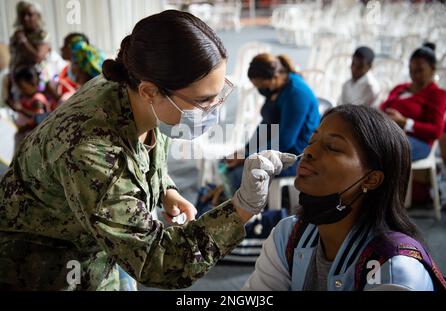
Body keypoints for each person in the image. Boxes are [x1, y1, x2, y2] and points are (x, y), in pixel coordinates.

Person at [0, 10, 297, 291]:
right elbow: (159, 262)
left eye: (218, 95)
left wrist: (166, 189)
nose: (213, 110)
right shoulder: (92, 152)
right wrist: (242, 208)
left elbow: (143, 155)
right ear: (150, 91)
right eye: (203, 101)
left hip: (99, 246)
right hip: (51, 269)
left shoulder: (133, 91)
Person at [243, 105, 446, 291]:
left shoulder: (394, 269)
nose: (308, 152)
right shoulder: (288, 234)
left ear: (371, 179)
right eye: (312, 141)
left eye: (332, 147)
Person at [226, 53, 320, 193]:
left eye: (262, 86)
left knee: (238, 175)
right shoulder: (278, 88)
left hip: (298, 156)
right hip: (280, 148)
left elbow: (285, 142)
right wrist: (246, 150)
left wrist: (249, 158)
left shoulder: (296, 94)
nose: (261, 90)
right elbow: (266, 125)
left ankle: (245, 213)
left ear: (274, 78)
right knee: (225, 163)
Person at [380, 43, 446, 161]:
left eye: (420, 70)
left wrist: (405, 122)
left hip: (419, 142)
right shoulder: (400, 88)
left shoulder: (438, 95)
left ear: (432, 69)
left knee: (383, 149)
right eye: (411, 69)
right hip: (388, 134)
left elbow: (436, 131)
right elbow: (383, 107)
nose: (414, 74)